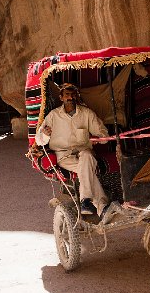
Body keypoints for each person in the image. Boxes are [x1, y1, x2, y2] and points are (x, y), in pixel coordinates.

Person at [35, 83, 109, 215]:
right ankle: (102, 207)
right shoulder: (53, 116)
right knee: (87, 170)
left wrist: (99, 138)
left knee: (86, 157)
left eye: (73, 94)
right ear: (61, 97)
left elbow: (103, 133)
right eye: (67, 95)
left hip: (84, 152)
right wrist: (45, 134)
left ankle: (86, 200)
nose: (71, 97)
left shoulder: (87, 114)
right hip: (64, 156)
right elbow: (39, 140)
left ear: (77, 96)